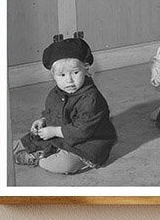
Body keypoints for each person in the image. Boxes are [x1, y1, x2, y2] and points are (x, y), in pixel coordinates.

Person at [13, 37, 117, 174]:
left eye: (75, 73)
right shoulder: (55, 93)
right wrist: (43, 120)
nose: (69, 80)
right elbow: (52, 111)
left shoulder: (91, 99)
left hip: (88, 141)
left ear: (85, 69)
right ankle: (43, 149)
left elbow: (82, 131)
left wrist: (55, 131)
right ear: (53, 76)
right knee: (19, 144)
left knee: (63, 164)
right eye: (62, 75)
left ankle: (40, 157)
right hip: (61, 132)